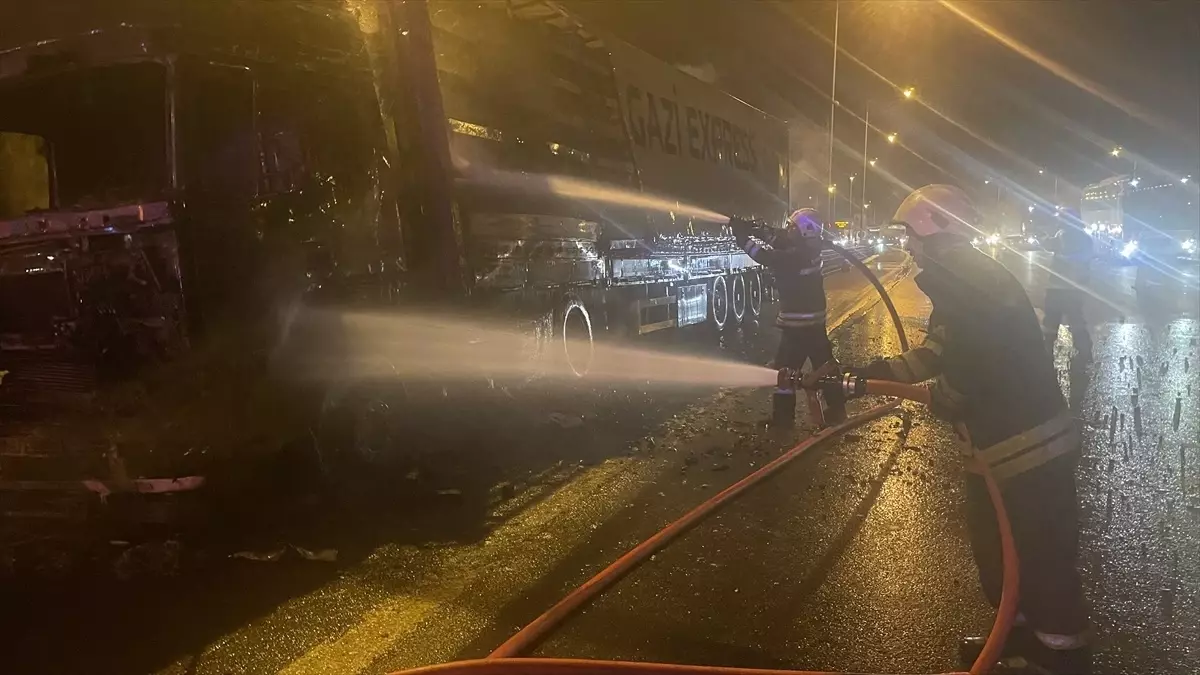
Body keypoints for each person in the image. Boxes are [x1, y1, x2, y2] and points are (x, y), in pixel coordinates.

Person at [845, 185, 1090, 674]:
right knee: (999, 550)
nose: (907, 246)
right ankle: (1016, 635)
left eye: (911, 235)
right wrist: (866, 375)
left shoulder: (969, 280)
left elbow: (978, 361)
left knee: (1038, 555)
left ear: (936, 230)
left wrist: (949, 395)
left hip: (1026, 447)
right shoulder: (960, 279)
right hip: (998, 449)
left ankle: (1061, 656)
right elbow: (940, 351)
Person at [730, 208, 846, 428]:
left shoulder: (797, 256)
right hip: (813, 324)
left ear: (804, 232)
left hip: (799, 327)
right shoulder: (807, 248)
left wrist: (743, 238)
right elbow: (779, 238)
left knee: (784, 372)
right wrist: (756, 229)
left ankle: (783, 421)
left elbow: (765, 256)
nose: (788, 230)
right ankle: (837, 411)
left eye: (793, 227)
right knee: (825, 369)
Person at [1043, 208, 1094, 362]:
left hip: (1059, 288)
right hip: (1073, 288)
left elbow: (1048, 245)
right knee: (1076, 320)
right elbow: (1086, 259)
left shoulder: (1063, 236)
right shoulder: (1084, 238)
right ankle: (1085, 352)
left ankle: (1047, 351)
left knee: (1052, 321)